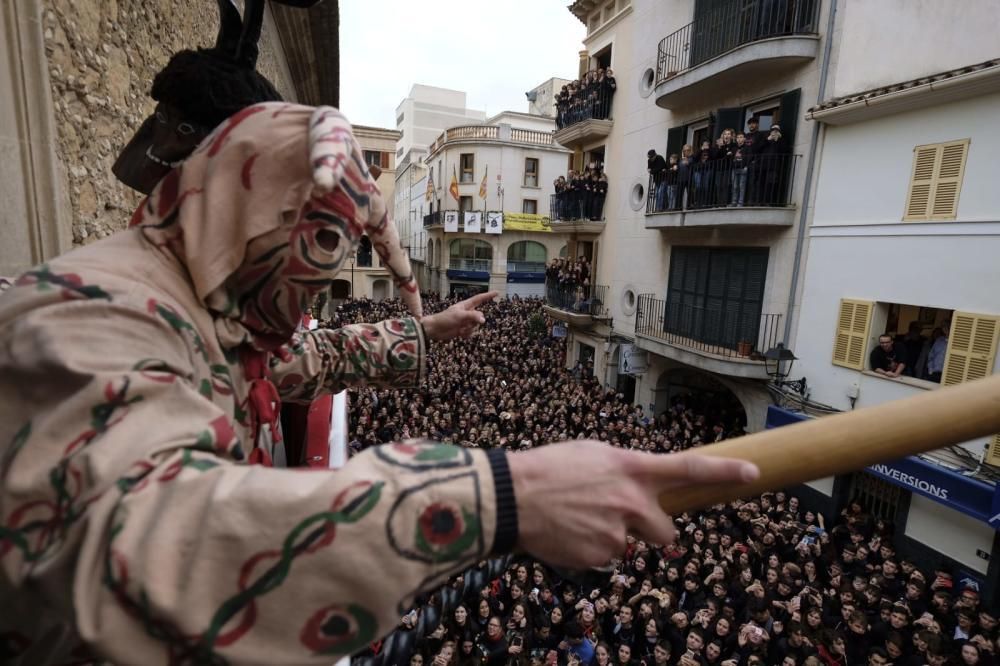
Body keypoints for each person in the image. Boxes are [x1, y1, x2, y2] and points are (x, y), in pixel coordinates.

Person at [0, 105, 760, 665]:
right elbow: (142, 542)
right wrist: (501, 496)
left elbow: (292, 361)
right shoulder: (90, 316)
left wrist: (420, 333)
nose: (301, 308)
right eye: (300, 274)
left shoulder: (208, 308)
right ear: (245, 215)